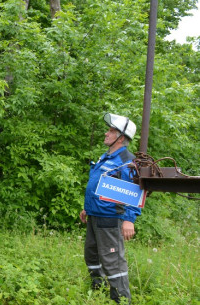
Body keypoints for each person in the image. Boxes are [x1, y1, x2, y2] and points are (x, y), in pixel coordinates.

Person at [80, 113, 142, 304]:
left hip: (110, 219)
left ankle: (122, 301)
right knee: (91, 256)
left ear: (121, 137)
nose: (106, 133)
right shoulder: (106, 157)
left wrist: (129, 219)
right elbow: (97, 185)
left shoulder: (127, 160)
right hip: (94, 216)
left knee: (113, 263)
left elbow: (136, 190)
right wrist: (86, 209)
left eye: (111, 131)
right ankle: (97, 292)